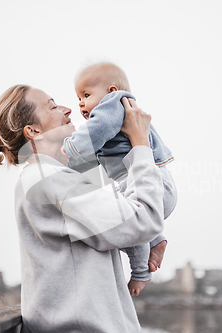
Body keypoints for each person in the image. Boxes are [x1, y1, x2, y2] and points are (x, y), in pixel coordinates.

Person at [0, 84, 165, 332]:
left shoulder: (46, 178)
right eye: (52, 106)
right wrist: (140, 144)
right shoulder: (49, 179)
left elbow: (128, 224)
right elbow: (143, 222)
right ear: (33, 131)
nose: (67, 109)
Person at [62, 62, 177, 295]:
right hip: (152, 181)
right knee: (122, 222)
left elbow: (93, 132)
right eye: (78, 98)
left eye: (86, 95)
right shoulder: (115, 118)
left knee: (122, 225)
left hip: (149, 181)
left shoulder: (112, 106)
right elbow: (94, 158)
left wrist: (71, 147)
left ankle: (140, 273)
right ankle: (155, 240)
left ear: (111, 91)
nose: (81, 103)